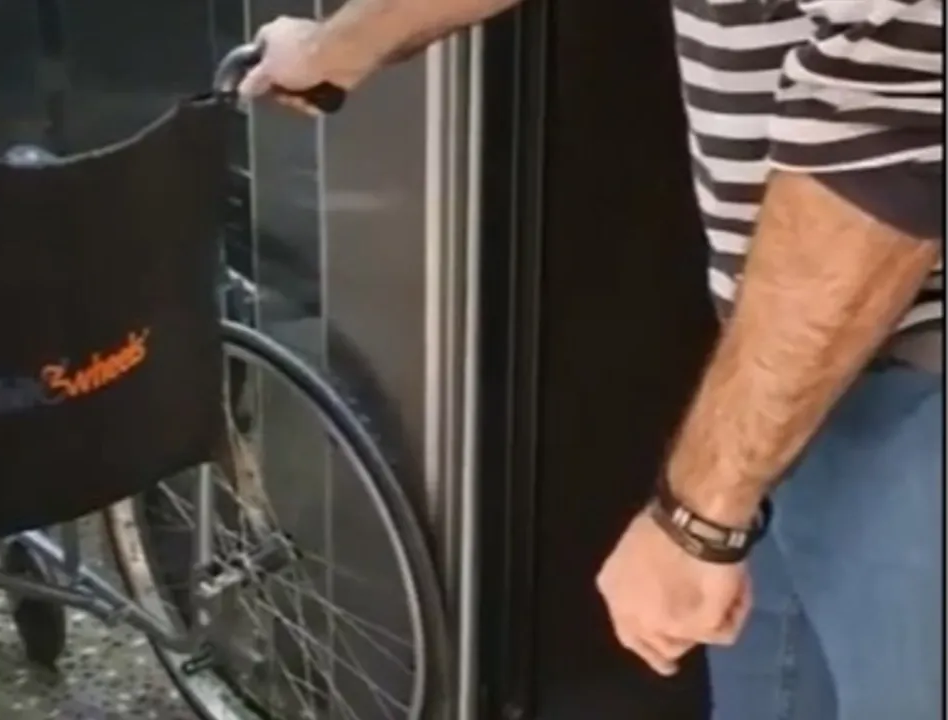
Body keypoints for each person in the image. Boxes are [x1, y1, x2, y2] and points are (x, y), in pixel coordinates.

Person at [238, 0, 943, 718]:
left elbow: (894, 140)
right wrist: (340, 46)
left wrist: (698, 520)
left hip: (907, 404)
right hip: (798, 401)